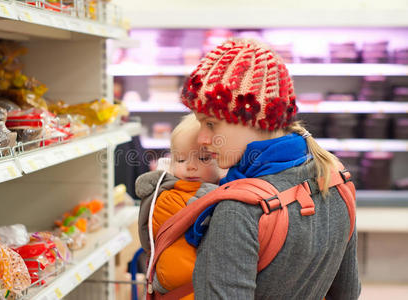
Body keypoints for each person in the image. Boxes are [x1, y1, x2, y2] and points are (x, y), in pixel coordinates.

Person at [178, 38, 361, 299]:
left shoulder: (237, 210)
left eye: (210, 124)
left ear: (253, 116)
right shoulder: (334, 181)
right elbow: (348, 292)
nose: (202, 139)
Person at [136, 113, 220, 297]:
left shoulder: (220, 189)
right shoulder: (169, 198)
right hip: (181, 287)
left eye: (204, 158)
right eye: (181, 160)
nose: (190, 167)